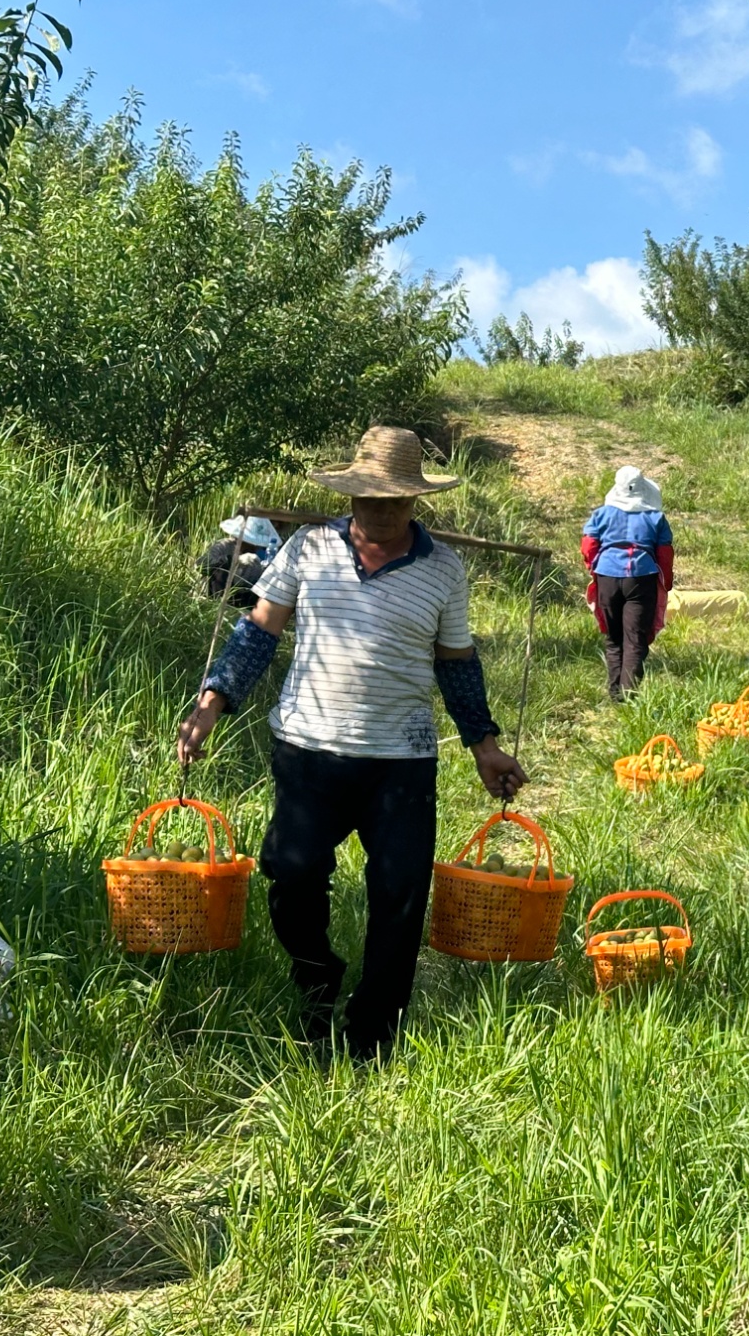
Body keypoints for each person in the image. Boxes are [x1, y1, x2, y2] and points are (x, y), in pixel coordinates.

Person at [177, 426, 526, 1062]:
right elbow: (258, 632)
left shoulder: (444, 570)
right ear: (352, 495)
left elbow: (456, 661)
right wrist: (211, 704)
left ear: (416, 501)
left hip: (402, 759)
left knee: (400, 892)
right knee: (291, 870)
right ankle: (315, 976)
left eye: (397, 500)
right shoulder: (308, 548)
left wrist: (484, 744)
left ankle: (372, 1033)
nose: (383, 512)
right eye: (372, 500)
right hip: (308, 748)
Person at [580, 465, 674, 701]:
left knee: (614, 638)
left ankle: (614, 694)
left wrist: (595, 567)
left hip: (608, 578)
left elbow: (589, 545)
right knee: (635, 639)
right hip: (641, 579)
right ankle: (628, 697)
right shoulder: (656, 518)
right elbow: (665, 554)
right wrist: (667, 582)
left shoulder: (601, 514)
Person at [201, 515, 283, 607]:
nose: (256, 547)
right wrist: (230, 561)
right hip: (218, 592)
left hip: (245, 598)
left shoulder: (256, 555)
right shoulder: (223, 546)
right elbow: (202, 564)